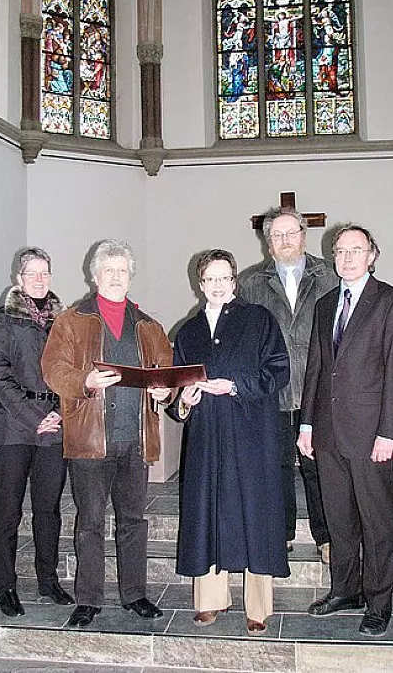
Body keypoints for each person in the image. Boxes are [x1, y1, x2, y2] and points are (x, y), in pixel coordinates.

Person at [41, 240, 173, 628]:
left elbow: (165, 373)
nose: (116, 277)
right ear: (95, 276)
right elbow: (52, 369)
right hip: (89, 440)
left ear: (130, 277)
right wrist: (84, 380)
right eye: (109, 270)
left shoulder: (148, 326)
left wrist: (164, 392)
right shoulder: (71, 320)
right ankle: (89, 598)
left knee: (134, 520)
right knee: (90, 523)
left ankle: (135, 594)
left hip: (136, 439)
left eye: (122, 271)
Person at [298, 224, 393, 637]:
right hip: (328, 432)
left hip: (371, 435)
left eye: (355, 250)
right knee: (340, 519)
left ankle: (379, 602)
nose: (346, 258)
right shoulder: (325, 304)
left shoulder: (392, 302)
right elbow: (316, 368)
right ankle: (346, 591)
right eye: (340, 251)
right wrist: (307, 424)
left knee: (377, 522)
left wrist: (389, 433)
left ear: (372, 256)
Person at [169, 249, 290, 635]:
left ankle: (258, 606)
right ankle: (210, 600)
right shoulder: (187, 331)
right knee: (207, 512)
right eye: (210, 279)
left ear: (234, 281)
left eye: (224, 278)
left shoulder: (259, 319)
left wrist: (235, 386)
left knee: (255, 514)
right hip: (206, 438)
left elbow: (278, 372)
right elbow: (175, 388)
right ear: (199, 284)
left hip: (251, 434)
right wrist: (184, 400)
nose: (217, 285)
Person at [241, 207, 337, 563]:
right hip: (273, 391)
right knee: (276, 465)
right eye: (277, 235)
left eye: (291, 233)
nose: (285, 240)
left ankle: (327, 537)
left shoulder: (329, 277)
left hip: (319, 390)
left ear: (303, 236)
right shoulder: (251, 284)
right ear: (268, 242)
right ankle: (280, 533)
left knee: (320, 466)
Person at [0, 247, 74, 617]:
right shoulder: (3, 319)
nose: (39, 279)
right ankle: (6, 586)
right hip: (12, 427)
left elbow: (73, 371)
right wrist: (34, 415)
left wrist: (58, 412)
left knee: (48, 510)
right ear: (19, 278)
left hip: (54, 425)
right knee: (7, 511)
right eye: (32, 273)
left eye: (45, 273)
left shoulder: (64, 322)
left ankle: (48, 580)